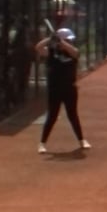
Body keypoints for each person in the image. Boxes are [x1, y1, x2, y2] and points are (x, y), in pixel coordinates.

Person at [37, 26, 88, 155]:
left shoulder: (72, 52)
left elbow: (75, 52)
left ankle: (82, 140)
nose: (70, 42)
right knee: (52, 116)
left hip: (70, 88)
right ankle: (42, 143)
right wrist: (50, 39)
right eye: (68, 40)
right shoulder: (51, 52)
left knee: (73, 115)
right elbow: (38, 48)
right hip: (54, 89)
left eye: (70, 40)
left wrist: (62, 42)